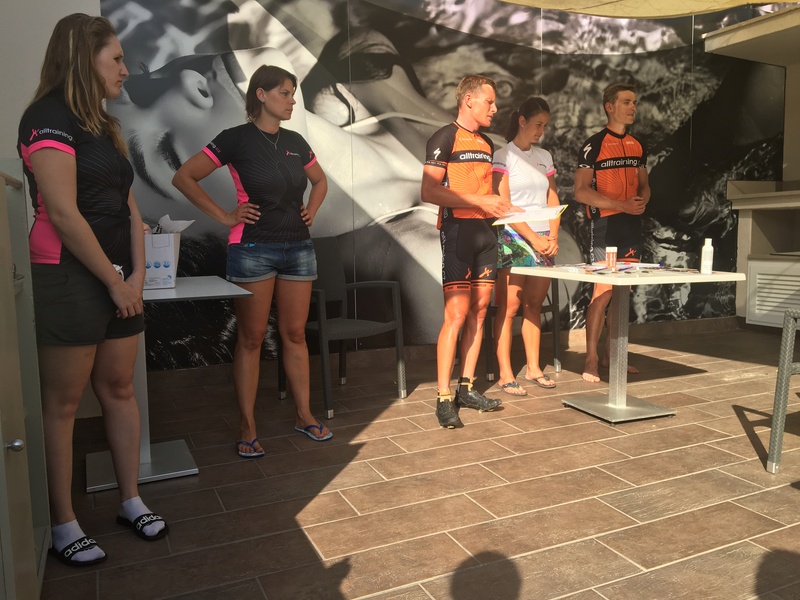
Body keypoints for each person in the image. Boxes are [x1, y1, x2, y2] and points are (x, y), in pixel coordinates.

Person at [17, 13, 168, 567]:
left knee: (119, 389)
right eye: (117, 59)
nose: (126, 70)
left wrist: (137, 275)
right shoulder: (46, 118)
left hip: (118, 279)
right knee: (62, 406)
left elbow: (129, 207)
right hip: (68, 276)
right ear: (85, 58)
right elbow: (61, 212)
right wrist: (113, 280)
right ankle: (63, 523)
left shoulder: (103, 124)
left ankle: (130, 500)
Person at [172, 64, 332, 456]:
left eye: (293, 94)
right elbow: (185, 176)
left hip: (298, 249)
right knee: (251, 338)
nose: (292, 101)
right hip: (253, 249)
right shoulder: (235, 139)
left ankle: (304, 415)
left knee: (295, 335)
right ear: (261, 95)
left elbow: (320, 181)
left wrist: (311, 209)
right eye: (284, 93)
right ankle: (247, 426)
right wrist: (226, 216)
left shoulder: (295, 141)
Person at [421, 74, 519, 428]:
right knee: (457, 315)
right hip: (458, 232)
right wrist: (481, 201)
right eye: (489, 102)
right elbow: (429, 192)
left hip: (486, 236)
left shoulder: (487, 143)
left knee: (479, 313)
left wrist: (509, 209)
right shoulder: (444, 137)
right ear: (469, 101)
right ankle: (443, 397)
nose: (495, 108)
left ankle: (466, 388)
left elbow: (491, 196)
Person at [573, 82, 650, 383]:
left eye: (635, 102)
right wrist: (620, 205)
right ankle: (590, 358)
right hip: (605, 226)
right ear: (610, 106)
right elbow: (580, 191)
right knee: (603, 292)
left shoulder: (638, 145)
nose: (633, 107)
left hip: (631, 226)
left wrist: (642, 201)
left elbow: (644, 185)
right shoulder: (594, 144)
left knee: (623, 294)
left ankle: (612, 355)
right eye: (627, 102)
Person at [491, 97, 561, 396]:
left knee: (534, 305)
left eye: (545, 126)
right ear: (522, 121)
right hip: (515, 238)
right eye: (537, 124)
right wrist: (534, 239)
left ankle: (533, 368)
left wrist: (553, 237)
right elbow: (503, 204)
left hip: (544, 238)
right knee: (510, 307)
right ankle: (506, 374)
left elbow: (552, 197)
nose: (541, 131)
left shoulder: (544, 156)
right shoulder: (502, 155)